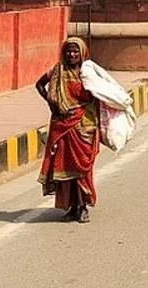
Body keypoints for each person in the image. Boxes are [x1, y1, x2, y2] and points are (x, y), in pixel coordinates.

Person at [35, 37, 101, 222]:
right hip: (62, 126)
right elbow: (39, 85)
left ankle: (83, 206)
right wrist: (52, 104)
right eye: (68, 51)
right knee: (64, 167)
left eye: (75, 51)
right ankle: (73, 207)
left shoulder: (88, 73)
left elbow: (101, 94)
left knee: (81, 168)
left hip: (84, 127)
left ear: (82, 53)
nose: (71, 55)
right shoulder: (58, 70)